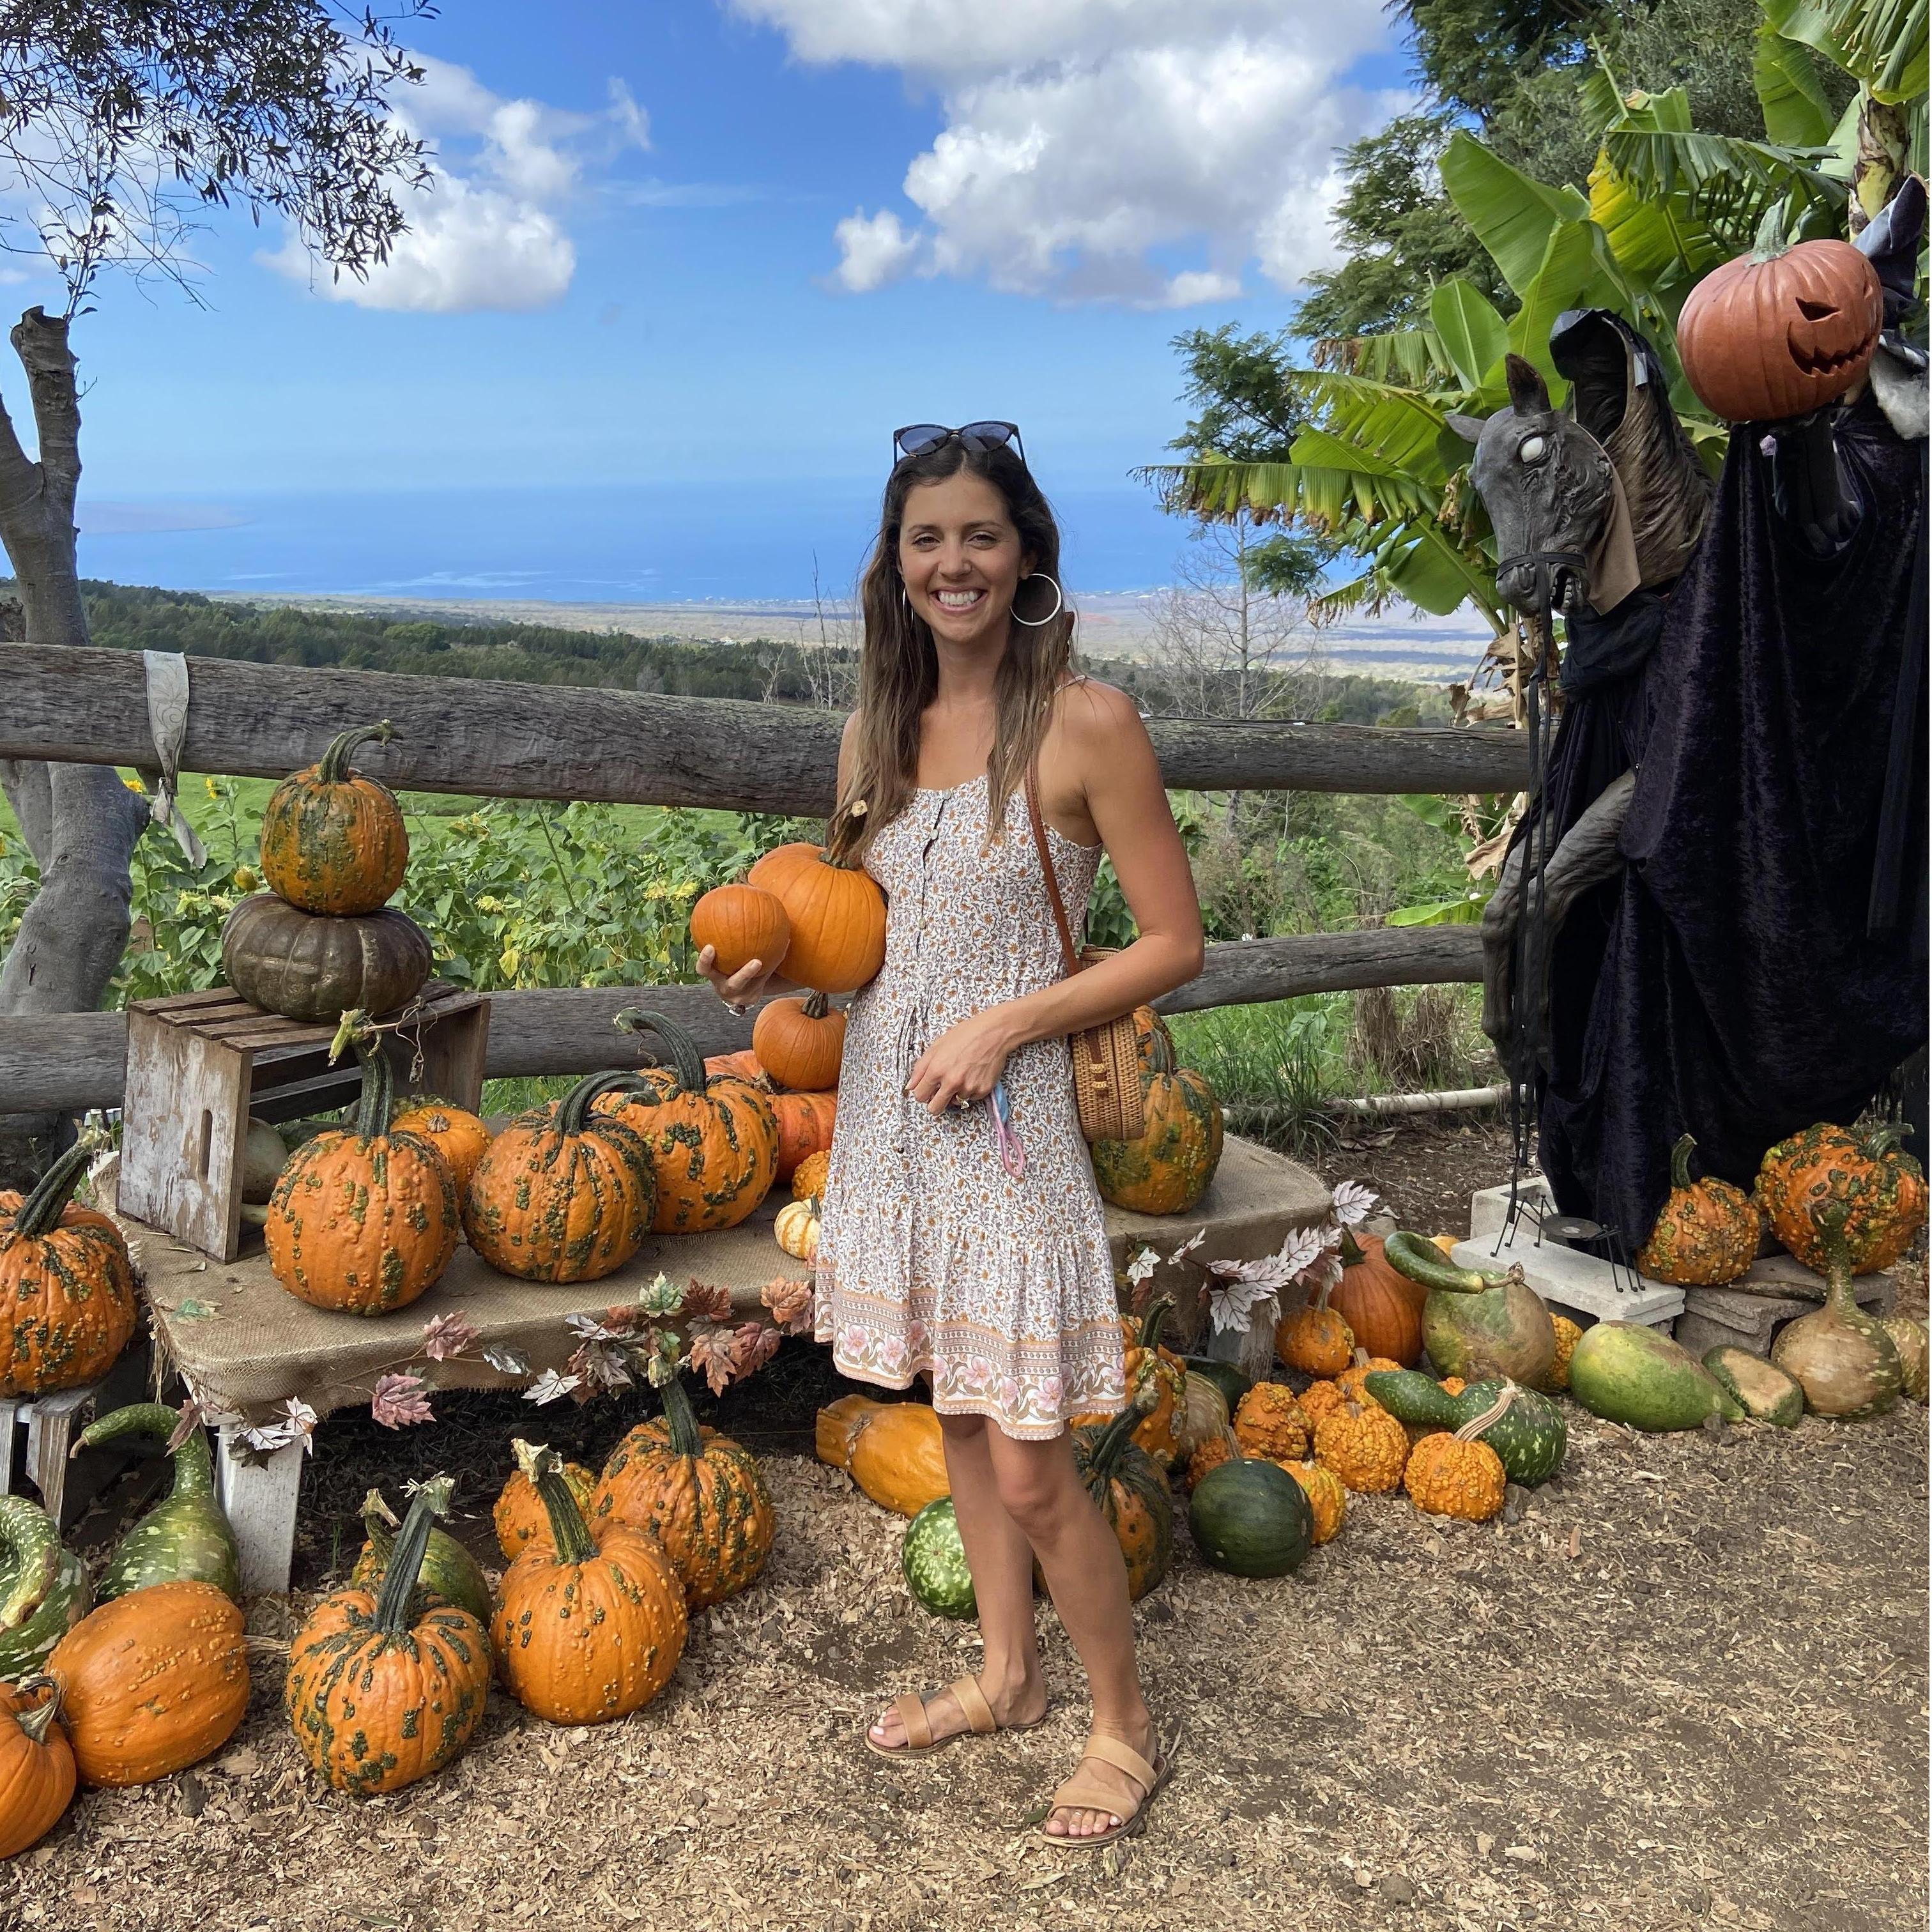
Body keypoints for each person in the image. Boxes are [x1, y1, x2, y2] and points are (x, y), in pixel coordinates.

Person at [700, 421, 1203, 1845]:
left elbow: (1174, 943)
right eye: (927, 539)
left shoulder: (1087, 726)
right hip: (889, 1129)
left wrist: (1006, 1025)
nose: (953, 563)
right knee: (963, 1428)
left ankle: (1123, 1724)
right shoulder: (872, 733)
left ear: (1027, 552)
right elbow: (865, 941)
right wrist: (782, 978)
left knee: (1032, 1453)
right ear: (896, 563)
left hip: (1012, 1133)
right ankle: (1006, 1676)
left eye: (980, 535)